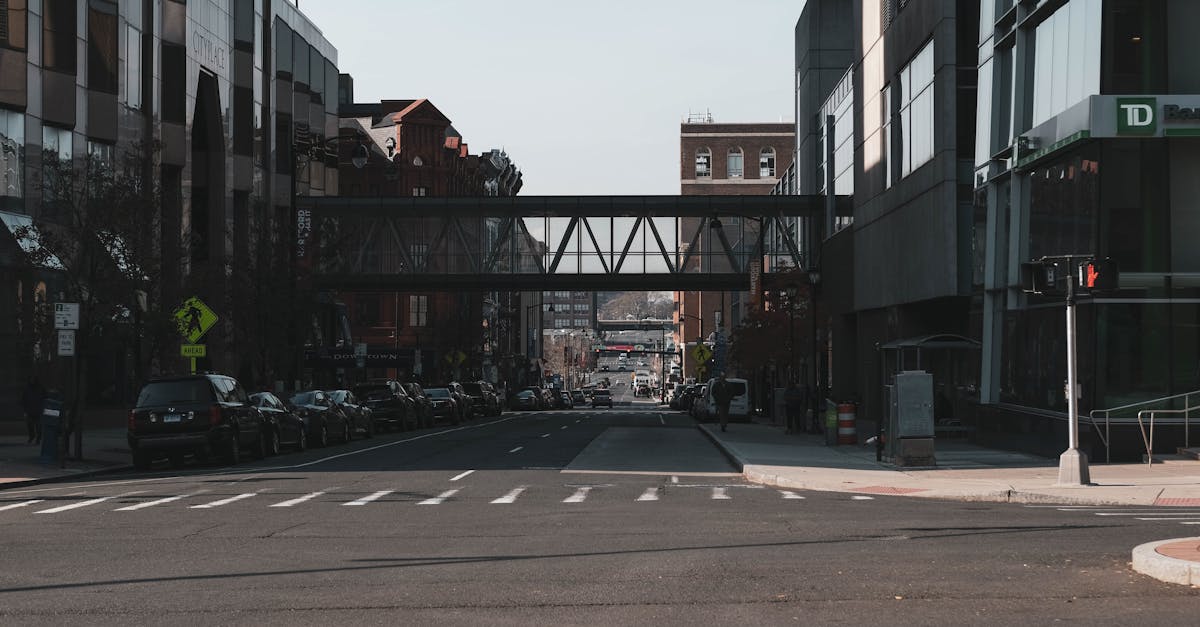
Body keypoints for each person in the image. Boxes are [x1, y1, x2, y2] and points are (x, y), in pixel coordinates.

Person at [21, 376, 47, 445]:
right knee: (30, 426)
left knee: (38, 426)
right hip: (30, 411)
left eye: (33, 380)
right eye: (31, 380)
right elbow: (23, 400)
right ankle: (32, 436)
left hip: (38, 411)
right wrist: (25, 410)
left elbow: (45, 398)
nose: (32, 381)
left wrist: (43, 408)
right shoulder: (27, 389)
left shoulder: (41, 388)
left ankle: (38, 438)